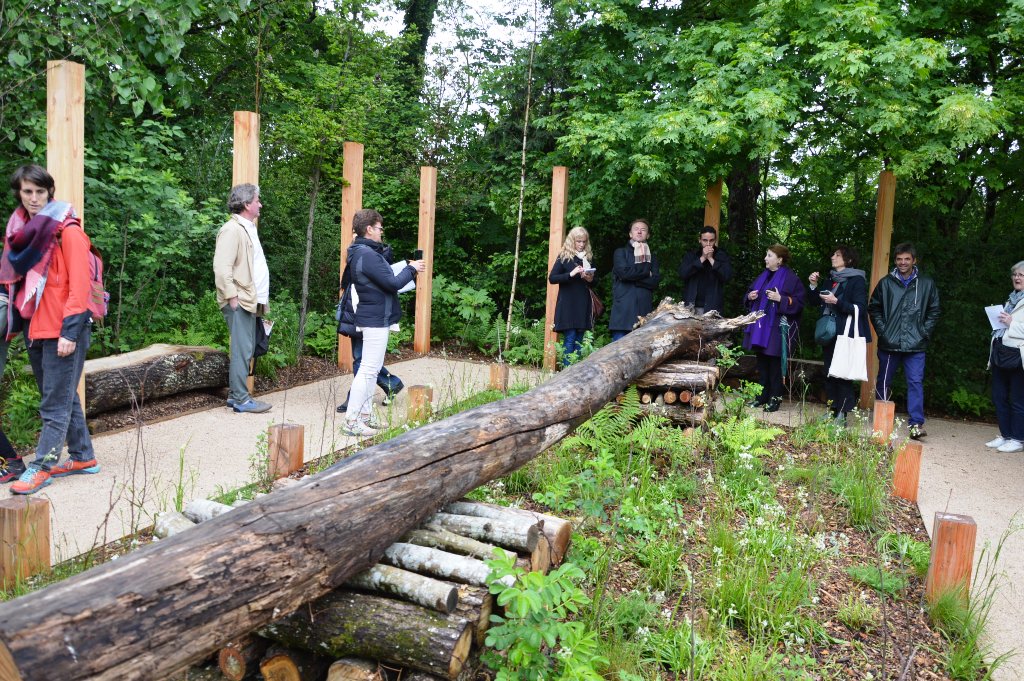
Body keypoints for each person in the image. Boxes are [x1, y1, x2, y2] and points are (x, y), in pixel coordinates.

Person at [0, 165, 99, 494]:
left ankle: (42, 466)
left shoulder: (67, 231)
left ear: (49, 192)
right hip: (34, 327)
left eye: (39, 192)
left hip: (63, 328)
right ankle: (83, 456)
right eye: (27, 192)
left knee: (53, 404)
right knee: (60, 396)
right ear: (19, 193)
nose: (33, 198)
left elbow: (80, 286)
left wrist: (70, 333)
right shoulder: (22, 232)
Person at [343, 209, 424, 437]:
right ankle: (351, 421)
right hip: (375, 318)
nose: (381, 232)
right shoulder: (366, 254)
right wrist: (412, 268)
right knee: (368, 370)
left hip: (375, 316)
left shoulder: (364, 252)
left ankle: (365, 417)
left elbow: (384, 281)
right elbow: (392, 283)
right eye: (379, 228)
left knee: (371, 369)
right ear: (369, 229)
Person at [868, 243, 940, 440]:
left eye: (907, 259)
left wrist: (924, 332)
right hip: (890, 343)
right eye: (899, 259)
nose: (903, 262)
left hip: (916, 344)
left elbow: (934, 310)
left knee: (915, 382)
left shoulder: (926, 283)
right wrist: (883, 332)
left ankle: (916, 425)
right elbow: (873, 308)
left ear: (914, 261)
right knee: (884, 381)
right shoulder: (886, 283)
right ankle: (881, 422)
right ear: (895, 260)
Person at [213, 183, 272, 414]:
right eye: (257, 200)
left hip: (249, 299)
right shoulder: (232, 229)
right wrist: (232, 297)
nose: (260, 204)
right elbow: (221, 267)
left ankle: (235, 396)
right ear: (247, 204)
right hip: (239, 300)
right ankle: (240, 399)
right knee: (242, 349)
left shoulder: (247, 228)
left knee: (246, 348)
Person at [336, 241, 404, 413]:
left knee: (362, 360)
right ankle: (390, 384)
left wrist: (410, 270)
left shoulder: (373, 254)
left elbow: (390, 282)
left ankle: (357, 404)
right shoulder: (359, 252)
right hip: (357, 308)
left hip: (368, 312)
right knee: (364, 360)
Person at [808, 246, 870, 423]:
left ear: (848, 260)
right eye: (833, 254)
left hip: (845, 333)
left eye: (837, 255)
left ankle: (842, 414)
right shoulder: (830, 279)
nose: (832, 257)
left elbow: (860, 308)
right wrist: (813, 286)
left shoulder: (857, 280)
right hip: (829, 332)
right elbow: (814, 302)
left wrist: (837, 301)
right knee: (829, 372)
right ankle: (832, 409)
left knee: (842, 374)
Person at [742, 244, 805, 412]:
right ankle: (762, 396)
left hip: (777, 329)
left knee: (775, 364)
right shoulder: (763, 276)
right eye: (766, 255)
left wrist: (781, 299)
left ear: (779, 260)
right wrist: (750, 296)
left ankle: (775, 399)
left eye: (769, 255)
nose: (765, 258)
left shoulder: (791, 278)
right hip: (760, 327)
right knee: (762, 362)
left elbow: (798, 303)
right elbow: (748, 295)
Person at [985, 261, 1024, 453]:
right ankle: (1005, 435)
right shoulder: (1011, 299)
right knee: (999, 396)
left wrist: (1011, 323)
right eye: (1015, 275)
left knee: (1017, 399)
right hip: (1001, 352)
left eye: (1022, 275)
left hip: (1019, 355)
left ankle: (1018, 439)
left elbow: (1016, 326)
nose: (1017, 278)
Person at [549, 226, 597, 366]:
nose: (582, 244)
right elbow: (552, 278)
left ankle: (575, 372)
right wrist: (571, 274)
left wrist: (589, 279)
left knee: (579, 340)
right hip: (568, 304)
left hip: (583, 304)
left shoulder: (588, 258)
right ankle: (566, 370)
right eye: (578, 241)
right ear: (572, 241)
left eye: (584, 241)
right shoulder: (564, 257)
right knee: (570, 338)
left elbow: (595, 281)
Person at [609, 218, 661, 341]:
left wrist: (633, 278)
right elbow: (624, 274)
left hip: (644, 311)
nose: (639, 232)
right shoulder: (620, 253)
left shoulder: (652, 257)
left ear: (647, 235)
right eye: (636, 229)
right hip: (623, 311)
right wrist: (645, 274)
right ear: (630, 234)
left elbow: (655, 281)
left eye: (643, 230)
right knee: (617, 354)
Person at [677, 226, 733, 315]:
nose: (708, 244)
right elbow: (683, 274)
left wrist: (711, 259)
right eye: (705, 240)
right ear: (699, 240)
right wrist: (702, 258)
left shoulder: (721, 255)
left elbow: (727, 276)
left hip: (713, 308)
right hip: (691, 307)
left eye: (711, 241)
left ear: (715, 240)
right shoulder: (691, 255)